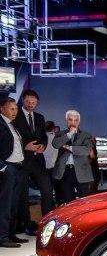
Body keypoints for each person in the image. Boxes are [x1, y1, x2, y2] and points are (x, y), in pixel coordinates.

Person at [13, 89, 54, 233]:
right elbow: (12, 137)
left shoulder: (39, 117)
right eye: (28, 102)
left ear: (37, 103)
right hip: (22, 160)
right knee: (23, 195)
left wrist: (43, 145)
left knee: (47, 192)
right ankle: (27, 226)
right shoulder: (15, 116)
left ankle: (47, 225)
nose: (30, 104)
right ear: (22, 101)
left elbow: (43, 137)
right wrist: (25, 146)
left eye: (33, 102)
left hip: (38, 160)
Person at [0, 97, 28, 247]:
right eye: (12, 109)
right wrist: (2, 167)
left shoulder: (12, 125)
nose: (15, 111)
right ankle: (3, 237)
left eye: (16, 109)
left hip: (18, 167)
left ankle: (11, 234)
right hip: (8, 168)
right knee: (5, 203)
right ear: (2, 109)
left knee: (14, 203)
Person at [52, 109, 94, 205]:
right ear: (66, 121)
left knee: (85, 202)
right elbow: (55, 144)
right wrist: (69, 134)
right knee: (67, 202)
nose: (73, 123)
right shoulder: (60, 134)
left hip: (82, 172)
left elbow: (86, 150)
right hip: (64, 171)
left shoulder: (86, 135)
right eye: (70, 120)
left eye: (76, 120)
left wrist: (69, 147)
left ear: (79, 121)